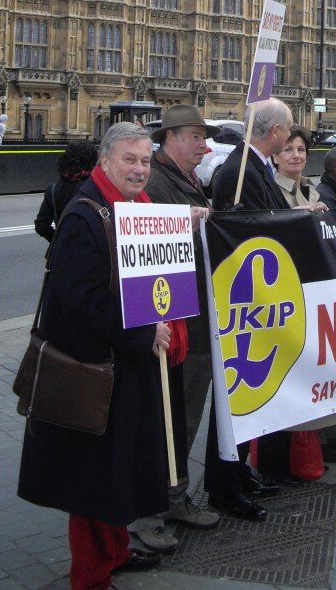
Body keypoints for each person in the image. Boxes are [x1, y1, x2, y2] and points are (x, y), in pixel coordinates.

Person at [17, 123, 169, 588]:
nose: (140, 169)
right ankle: (91, 576)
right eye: (130, 160)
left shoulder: (135, 209)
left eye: (145, 161)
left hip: (123, 368)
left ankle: (116, 550)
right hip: (95, 371)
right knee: (94, 482)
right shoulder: (86, 216)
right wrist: (144, 332)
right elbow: (81, 300)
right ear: (104, 161)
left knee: (118, 472)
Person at [128, 106, 221, 553]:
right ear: (172, 138)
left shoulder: (190, 179)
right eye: (197, 137)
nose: (205, 146)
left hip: (196, 318)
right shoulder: (158, 183)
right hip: (169, 322)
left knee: (184, 416)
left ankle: (174, 496)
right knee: (161, 419)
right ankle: (146, 513)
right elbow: (144, 244)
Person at [205, 99, 295, 521]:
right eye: (288, 130)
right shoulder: (237, 171)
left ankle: (239, 472)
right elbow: (242, 228)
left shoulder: (255, 166)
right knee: (236, 399)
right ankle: (224, 487)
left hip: (261, 298)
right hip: (244, 299)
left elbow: (272, 215)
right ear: (274, 131)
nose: (289, 138)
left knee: (250, 398)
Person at [272, 126, 336, 464]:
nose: (296, 155)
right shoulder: (274, 190)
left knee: (326, 363)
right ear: (276, 156)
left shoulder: (309, 188)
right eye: (289, 150)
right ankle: (309, 442)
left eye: (301, 150)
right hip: (294, 287)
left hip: (319, 286)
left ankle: (328, 433)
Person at [34, 141, 99, 244]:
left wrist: (59, 242)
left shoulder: (53, 189)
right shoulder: (94, 187)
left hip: (61, 255)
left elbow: (41, 225)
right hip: (90, 251)